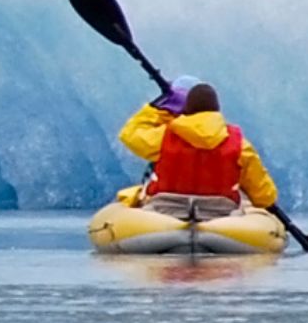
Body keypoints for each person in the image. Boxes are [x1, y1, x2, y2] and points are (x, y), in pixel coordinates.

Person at [112, 77, 279, 221]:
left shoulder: (164, 137)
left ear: (185, 109)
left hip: (165, 209)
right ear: (217, 109)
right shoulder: (240, 145)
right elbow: (264, 195)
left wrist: (160, 108)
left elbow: (130, 133)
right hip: (220, 213)